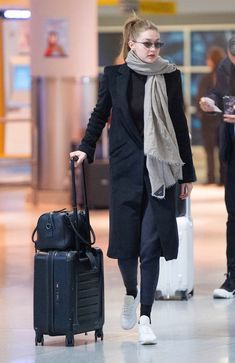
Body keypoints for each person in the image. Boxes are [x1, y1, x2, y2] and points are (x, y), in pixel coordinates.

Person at [70, 15, 196, 344]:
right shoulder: (115, 76)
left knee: (150, 246)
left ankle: (145, 317)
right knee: (127, 248)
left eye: (158, 44)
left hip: (160, 172)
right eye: (148, 43)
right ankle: (130, 291)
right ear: (132, 44)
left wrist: (187, 173)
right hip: (126, 171)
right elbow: (100, 113)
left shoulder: (171, 76)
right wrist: (85, 148)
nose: (154, 49)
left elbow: (179, 124)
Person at [199, 36, 235, 299]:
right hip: (231, 150)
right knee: (232, 215)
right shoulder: (224, 66)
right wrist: (209, 100)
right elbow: (219, 93)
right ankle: (232, 277)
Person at [196, 47, 226, 185]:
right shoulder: (227, 78)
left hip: (209, 121)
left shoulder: (207, 78)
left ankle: (211, 178)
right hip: (222, 120)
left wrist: (200, 113)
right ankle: (223, 179)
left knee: (210, 152)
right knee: (222, 151)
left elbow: (200, 99)